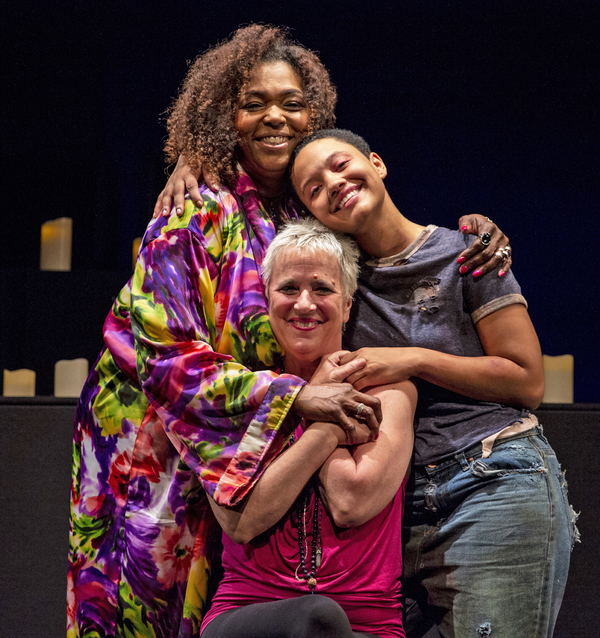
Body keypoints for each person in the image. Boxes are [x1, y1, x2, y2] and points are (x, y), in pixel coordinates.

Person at [67, 25, 513, 638]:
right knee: (149, 607)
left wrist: (474, 233)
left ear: (315, 118)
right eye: (254, 103)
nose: (274, 116)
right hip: (159, 449)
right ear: (227, 117)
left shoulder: (309, 211)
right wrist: (301, 398)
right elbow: (161, 353)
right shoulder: (196, 207)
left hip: (249, 447)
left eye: (292, 103)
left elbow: (392, 244)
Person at [288, 128, 579, 638]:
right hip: (396, 510)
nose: (332, 184)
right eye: (313, 188)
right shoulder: (335, 285)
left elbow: (527, 379)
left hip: (492, 477)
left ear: (376, 163)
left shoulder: (466, 252)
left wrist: (414, 359)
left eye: (339, 165)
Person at [200, 219, 416, 638]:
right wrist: (323, 411)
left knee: (322, 621)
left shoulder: (390, 391)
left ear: (349, 304)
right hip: (250, 611)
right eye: (288, 289)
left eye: (322, 289)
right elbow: (242, 522)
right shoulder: (239, 395)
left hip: (369, 624)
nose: (304, 304)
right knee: (317, 618)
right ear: (266, 300)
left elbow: (350, 500)